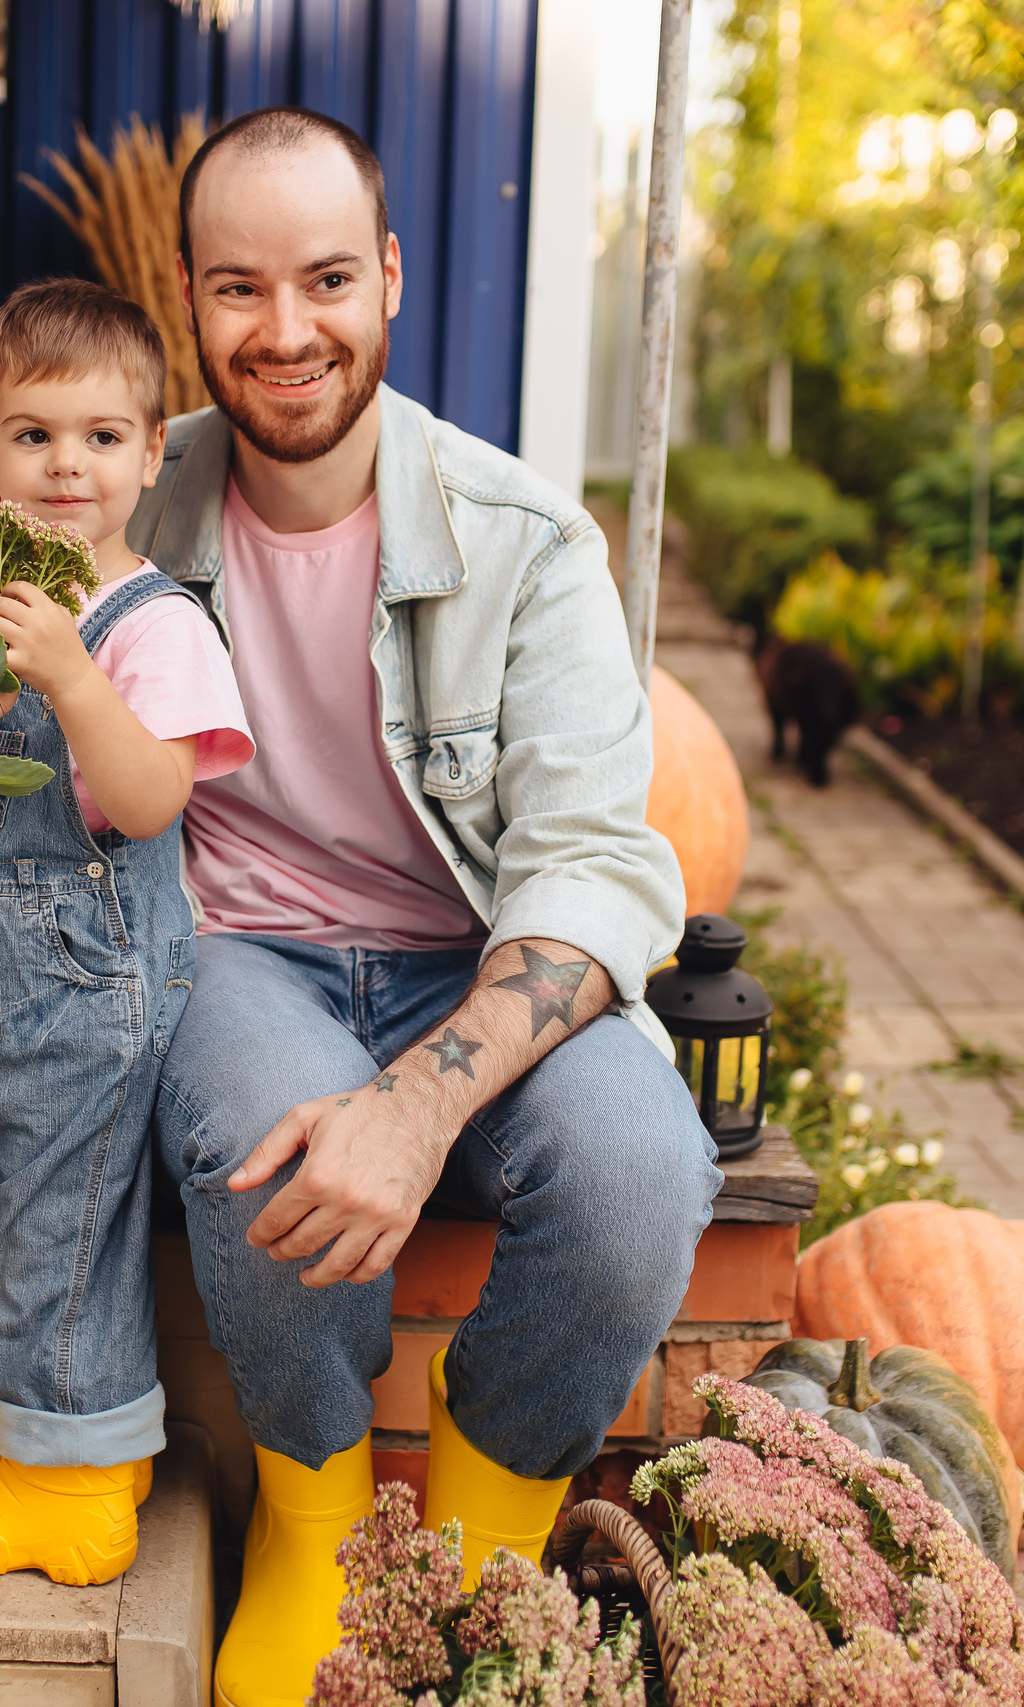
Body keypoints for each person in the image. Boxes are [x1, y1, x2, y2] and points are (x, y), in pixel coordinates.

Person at [125, 108, 724, 1707]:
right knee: (266, 1134)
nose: (287, 330)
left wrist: (417, 1101)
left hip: (475, 953)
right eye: (240, 289)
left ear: (389, 276)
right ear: (189, 296)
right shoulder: (131, 502)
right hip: (243, 951)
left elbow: (596, 871)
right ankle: (315, 1527)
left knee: (641, 1169)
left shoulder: (523, 539)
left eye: (326, 278)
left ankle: (471, 1545)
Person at [0, 278, 252, 1586]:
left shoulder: (155, 622)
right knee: (28, 1188)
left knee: (61, 1219)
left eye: (99, 437)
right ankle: (80, 1441)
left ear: (153, 453)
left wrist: (70, 678)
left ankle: (72, 1497)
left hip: (94, 969)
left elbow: (149, 798)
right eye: (34, 436)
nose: (65, 465)